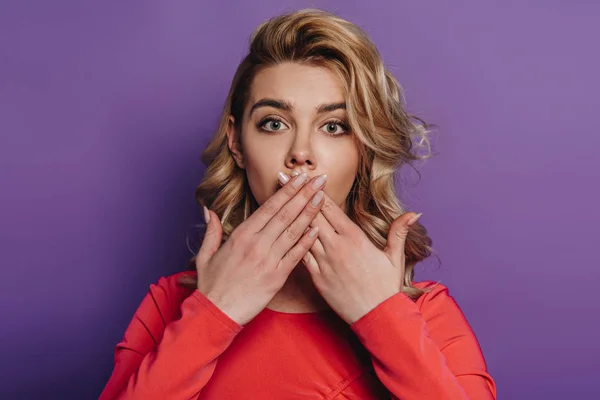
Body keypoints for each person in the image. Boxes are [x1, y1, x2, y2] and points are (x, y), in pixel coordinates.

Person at [99, 8, 496, 400]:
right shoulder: (172, 303)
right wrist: (213, 312)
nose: (301, 153)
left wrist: (381, 315)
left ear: (364, 150)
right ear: (237, 143)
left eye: (334, 126)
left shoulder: (424, 312)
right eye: (274, 123)